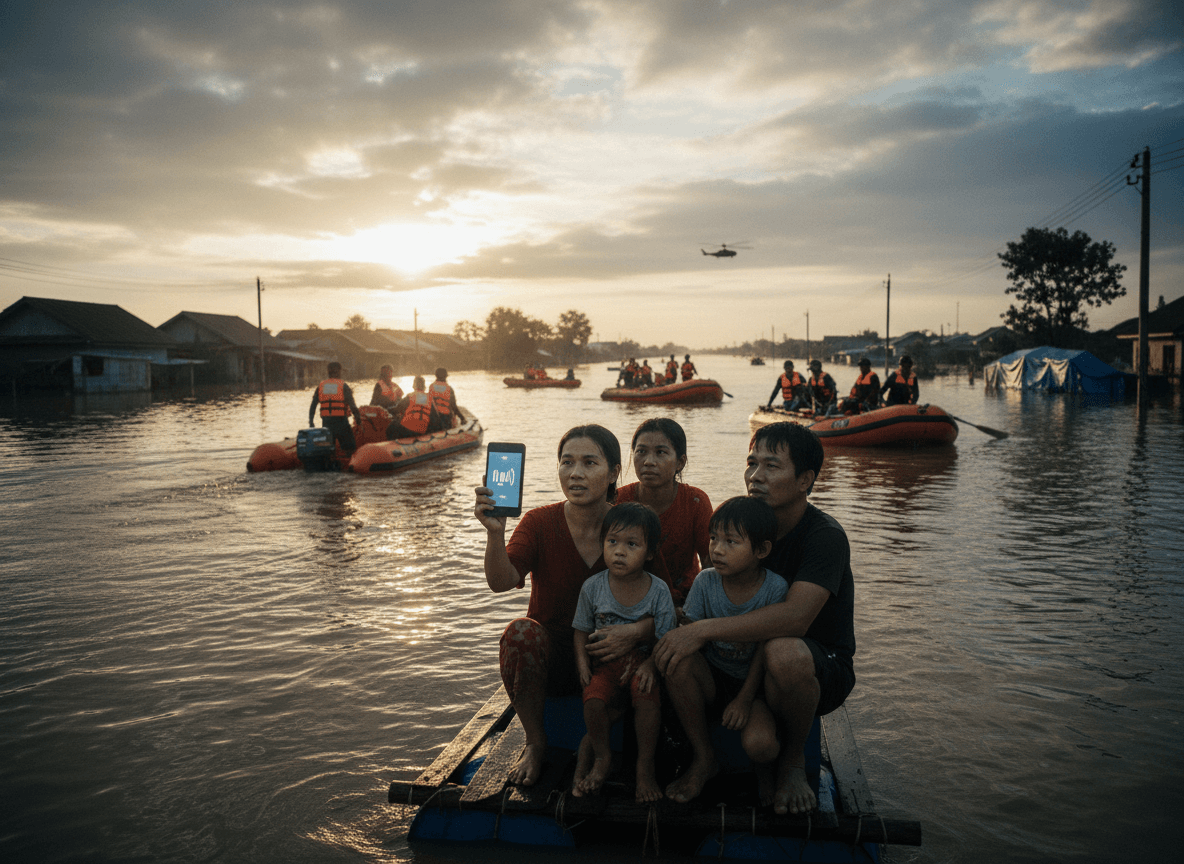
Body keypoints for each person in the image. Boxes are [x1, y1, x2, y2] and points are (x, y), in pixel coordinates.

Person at [654, 422, 856, 815]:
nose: (755, 476)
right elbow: (710, 585)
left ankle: (792, 763)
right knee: (675, 653)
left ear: (805, 480)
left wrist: (702, 630)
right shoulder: (744, 526)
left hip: (815, 665)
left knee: (784, 652)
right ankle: (704, 759)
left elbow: (796, 619)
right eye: (751, 463)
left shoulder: (824, 537)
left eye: (771, 466)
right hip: (740, 664)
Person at [474, 425, 656, 786]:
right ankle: (535, 742)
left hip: (613, 658)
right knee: (519, 633)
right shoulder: (539, 522)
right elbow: (500, 582)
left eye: (589, 463)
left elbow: (666, 602)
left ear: (613, 472)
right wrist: (495, 533)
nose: (575, 473)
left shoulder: (632, 525)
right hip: (556, 659)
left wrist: (635, 632)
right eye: (567, 462)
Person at [663, 497, 788, 805]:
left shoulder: (774, 588)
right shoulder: (706, 582)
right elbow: (690, 635)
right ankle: (704, 758)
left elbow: (765, 650)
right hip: (713, 679)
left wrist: (744, 700)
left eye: (731, 541)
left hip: (753, 688)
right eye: (713, 538)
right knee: (677, 660)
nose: (716, 549)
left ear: (761, 550)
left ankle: (765, 774)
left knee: (761, 746)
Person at [572, 503, 676, 802]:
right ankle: (602, 756)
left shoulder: (658, 591)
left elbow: (667, 637)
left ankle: (645, 766)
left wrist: (652, 666)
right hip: (604, 667)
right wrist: (582, 664)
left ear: (650, 553)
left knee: (646, 699)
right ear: (602, 543)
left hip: (643, 664)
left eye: (632, 544)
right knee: (593, 700)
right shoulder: (593, 587)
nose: (619, 551)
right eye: (612, 541)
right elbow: (580, 630)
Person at [615, 418, 712, 610]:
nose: (649, 462)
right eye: (641, 452)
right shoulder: (619, 500)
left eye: (660, 452)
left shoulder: (695, 502)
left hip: (685, 602)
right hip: (629, 600)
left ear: (680, 462)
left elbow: (711, 565)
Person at [309, 361, 361, 453]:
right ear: (339, 371)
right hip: (342, 423)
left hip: (327, 424)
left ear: (328, 372)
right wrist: (358, 420)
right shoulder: (343, 386)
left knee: (329, 451)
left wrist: (311, 422)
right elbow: (352, 405)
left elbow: (313, 406)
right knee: (351, 449)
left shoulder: (321, 386)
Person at [386, 375, 440, 439]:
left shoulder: (410, 396)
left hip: (407, 429)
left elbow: (396, 409)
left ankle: (393, 443)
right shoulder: (429, 398)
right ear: (424, 386)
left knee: (391, 427)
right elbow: (435, 418)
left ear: (414, 385)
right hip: (422, 431)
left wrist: (386, 409)